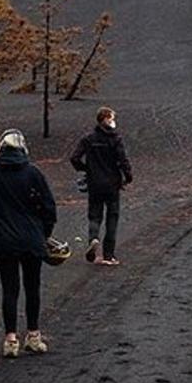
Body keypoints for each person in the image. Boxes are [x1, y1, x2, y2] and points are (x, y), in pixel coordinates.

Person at [0, 129, 57, 358]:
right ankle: (33, 335)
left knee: (9, 289)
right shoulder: (33, 173)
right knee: (33, 288)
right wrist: (45, 233)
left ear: (1, 148)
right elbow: (49, 207)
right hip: (31, 239)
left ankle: (10, 339)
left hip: (3, 240)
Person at [70, 107, 132, 266]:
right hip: (112, 184)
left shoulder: (88, 139)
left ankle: (93, 238)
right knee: (112, 217)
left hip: (94, 183)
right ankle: (108, 254)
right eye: (111, 118)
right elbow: (123, 160)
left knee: (95, 214)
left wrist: (86, 169)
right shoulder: (115, 139)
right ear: (106, 119)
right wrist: (128, 176)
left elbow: (74, 158)